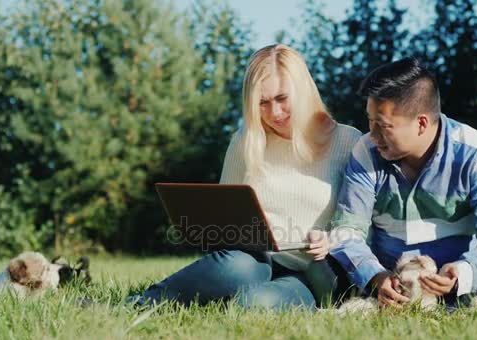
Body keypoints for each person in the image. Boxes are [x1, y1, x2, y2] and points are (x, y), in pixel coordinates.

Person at [127, 44, 361, 310]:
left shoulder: (347, 141)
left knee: (253, 304)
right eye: (262, 102)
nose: (274, 113)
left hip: (310, 275)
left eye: (282, 98)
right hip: (252, 261)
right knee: (238, 267)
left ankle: (224, 298)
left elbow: (363, 224)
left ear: (304, 90)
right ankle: (139, 304)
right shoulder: (246, 141)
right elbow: (224, 215)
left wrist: (332, 240)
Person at [324, 57, 477, 310]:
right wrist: (376, 276)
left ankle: (452, 304)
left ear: (421, 123)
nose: (373, 135)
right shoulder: (365, 151)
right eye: (370, 121)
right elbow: (347, 231)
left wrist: (463, 275)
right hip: (389, 278)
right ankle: (405, 303)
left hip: (455, 280)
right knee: (327, 267)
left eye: (384, 126)